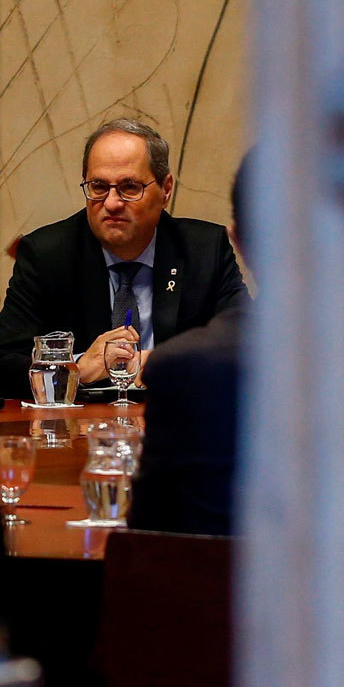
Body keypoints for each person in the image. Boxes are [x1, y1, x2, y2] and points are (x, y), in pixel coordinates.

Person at [0, 118, 247, 399]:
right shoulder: (47, 254)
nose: (111, 203)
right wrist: (74, 369)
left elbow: (250, 345)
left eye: (130, 187)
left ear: (166, 189)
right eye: (99, 186)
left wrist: (173, 363)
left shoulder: (205, 249)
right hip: (79, 424)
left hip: (175, 417)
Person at [126, 149, 253, 537]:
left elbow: (148, 539)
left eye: (129, 187)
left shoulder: (186, 368)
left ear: (238, 240)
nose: (113, 203)